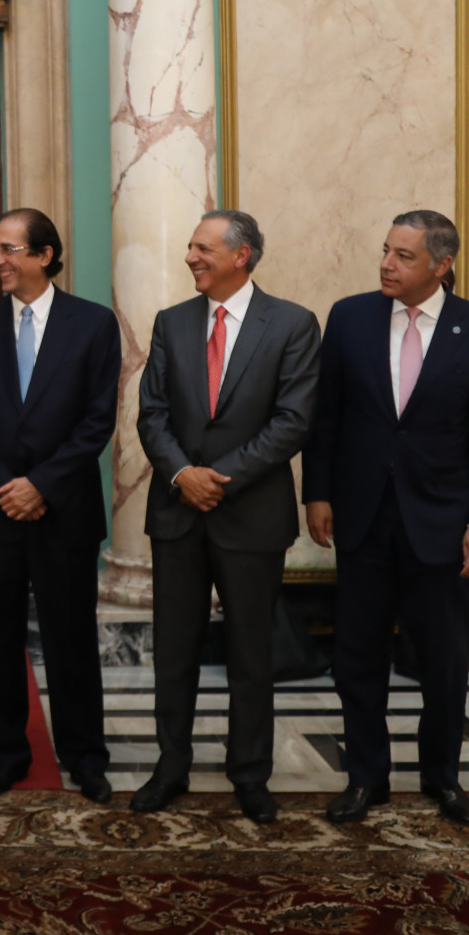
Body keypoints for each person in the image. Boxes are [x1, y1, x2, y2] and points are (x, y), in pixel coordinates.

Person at [304, 210, 469, 827]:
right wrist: (317, 493)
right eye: (385, 251)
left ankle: (442, 778)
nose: (386, 264)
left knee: (444, 662)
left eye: (403, 256)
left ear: (441, 265)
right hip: (363, 518)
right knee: (357, 658)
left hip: (443, 524)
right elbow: (326, 417)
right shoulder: (349, 318)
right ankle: (365, 778)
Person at [133, 210, 320, 824]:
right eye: (190, 246)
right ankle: (170, 768)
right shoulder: (171, 322)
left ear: (241, 255)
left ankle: (250, 774)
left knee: (251, 654)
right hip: (178, 512)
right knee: (173, 652)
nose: (190, 256)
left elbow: (293, 420)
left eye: (202, 247)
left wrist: (219, 478)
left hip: (251, 515)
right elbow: (152, 413)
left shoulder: (292, 324)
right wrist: (182, 475)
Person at [0, 210, 120, 801]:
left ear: (45, 256)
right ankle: (8, 753)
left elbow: (98, 419)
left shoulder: (93, 324)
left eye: (9, 249)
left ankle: (85, 755)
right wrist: (8, 485)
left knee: (71, 640)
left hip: (63, 508)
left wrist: (40, 485)